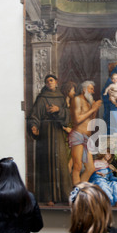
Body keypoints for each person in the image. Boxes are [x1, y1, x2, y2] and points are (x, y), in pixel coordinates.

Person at [28, 74, 72, 205]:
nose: (50, 83)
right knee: (47, 164)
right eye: (47, 81)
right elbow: (34, 115)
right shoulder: (41, 98)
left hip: (58, 131)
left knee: (62, 164)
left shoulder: (61, 97)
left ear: (56, 82)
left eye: (51, 81)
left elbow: (67, 115)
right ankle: (48, 197)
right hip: (46, 134)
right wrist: (34, 126)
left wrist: (59, 110)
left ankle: (65, 195)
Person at [69, 80, 102, 186]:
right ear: (84, 89)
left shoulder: (88, 102)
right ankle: (76, 193)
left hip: (87, 137)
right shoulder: (77, 99)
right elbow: (77, 119)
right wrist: (92, 110)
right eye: (90, 89)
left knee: (90, 168)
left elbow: (91, 122)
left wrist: (95, 109)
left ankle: (80, 189)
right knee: (77, 166)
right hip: (78, 135)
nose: (92, 91)